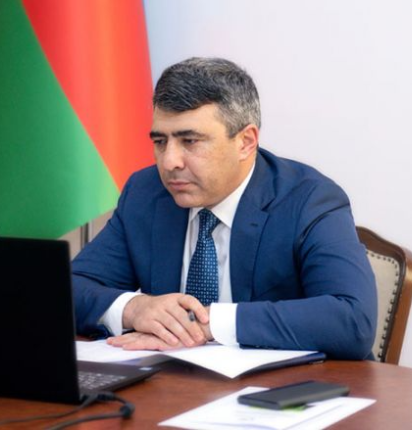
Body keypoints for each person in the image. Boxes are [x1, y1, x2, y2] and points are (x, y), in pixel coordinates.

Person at [72, 57, 377, 359]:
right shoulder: (146, 192)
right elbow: (69, 288)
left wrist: (207, 323)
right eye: (160, 141)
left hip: (283, 386)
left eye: (190, 141)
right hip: (171, 381)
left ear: (246, 142)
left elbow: (352, 319)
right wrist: (134, 308)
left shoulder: (309, 199)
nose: (169, 162)